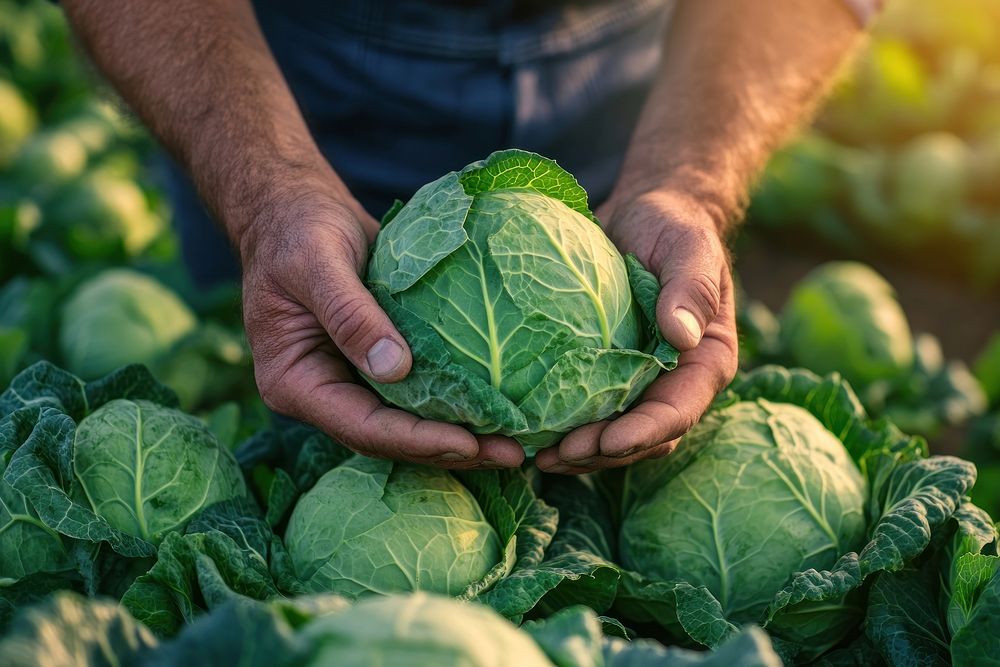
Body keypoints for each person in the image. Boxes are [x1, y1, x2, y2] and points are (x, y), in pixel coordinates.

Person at [62, 0, 878, 474]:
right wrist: (265, 196)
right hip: (269, 81)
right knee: (278, 427)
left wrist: (686, 181)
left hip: (653, 79)